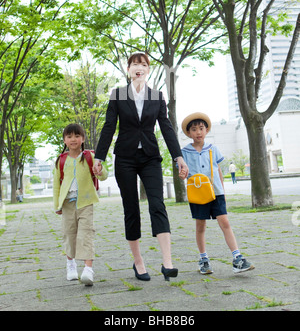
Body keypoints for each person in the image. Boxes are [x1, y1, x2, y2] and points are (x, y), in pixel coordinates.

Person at [93, 52, 189, 281]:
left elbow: (166, 127)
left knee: (157, 204)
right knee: (132, 208)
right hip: (124, 158)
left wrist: (178, 157)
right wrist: (99, 157)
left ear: (148, 70)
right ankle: (138, 262)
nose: (139, 67)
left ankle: (167, 263)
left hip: (150, 157)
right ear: (128, 69)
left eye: (144, 64)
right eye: (135, 64)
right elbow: (108, 126)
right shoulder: (117, 95)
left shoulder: (157, 96)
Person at [180, 112, 254, 275]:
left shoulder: (213, 149)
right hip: (198, 194)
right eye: (194, 129)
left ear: (206, 130)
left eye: (201, 128)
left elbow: (218, 170)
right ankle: (203, 259)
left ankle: (237, 258)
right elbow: (183, 171)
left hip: (216, 192)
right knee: (200, 226)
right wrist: (183, 174)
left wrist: (223, 191)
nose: (198, 132)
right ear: (189, 133)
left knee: (225, 222)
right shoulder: (184, 152)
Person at [53, 123, 107, 286]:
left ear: (83, 139)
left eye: (77, 136)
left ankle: (88, 270)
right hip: (68, 204)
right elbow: (56, 184)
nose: (73, 139)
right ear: (64, 140)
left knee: (86, 234)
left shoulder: (90, 156)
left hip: (86, 203)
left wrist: (100, 169)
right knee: (69, 235)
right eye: (69, 136)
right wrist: (57, 205)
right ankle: (71, 265)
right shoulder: (60, 160)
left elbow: (103, 176)